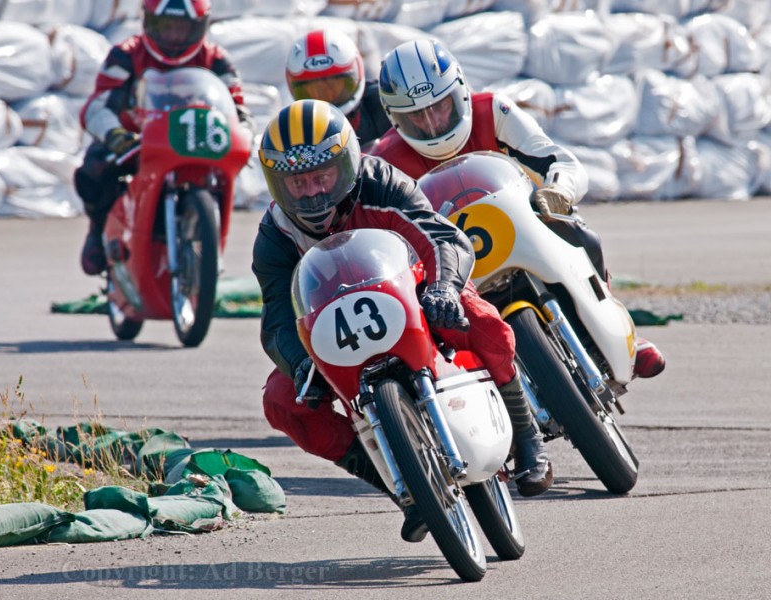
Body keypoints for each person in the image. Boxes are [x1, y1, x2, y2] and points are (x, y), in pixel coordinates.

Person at [252, 99, 553, 544]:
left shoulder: (379, 182)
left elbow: (441, 236)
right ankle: (400, 487)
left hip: (412, 287)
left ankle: (528, 437)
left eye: (322, 177)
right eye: (298, 183)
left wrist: (445, 287)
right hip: (333, 326)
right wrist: (300, 366)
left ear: (347, 164)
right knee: (281, 401)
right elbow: (277, 317)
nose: (313, 193)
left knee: (482, 318)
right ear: (278, 183)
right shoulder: (274, 235)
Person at [369, 39, 666, 379]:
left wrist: (557, 191)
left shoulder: (493, 111)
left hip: (518, 221)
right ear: (394, 118)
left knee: (582, 236)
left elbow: (559, 160)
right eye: (416, 116)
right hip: (449, 261)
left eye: (441, 106)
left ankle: (617, 326)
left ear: (461, 91)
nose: (433, 122)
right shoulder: (383, 161)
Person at [75, 0, 253, 276]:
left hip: (197, 143)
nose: (174, 37)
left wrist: (245, 137)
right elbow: (98, 106)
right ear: (147, 22)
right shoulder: (125, 55)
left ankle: (207, 243)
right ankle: (98, 230)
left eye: (182, 29)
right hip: (136, 142)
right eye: (166, 27)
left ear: (200, 26)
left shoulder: (218, 61)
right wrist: (116, 136)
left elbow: (239, 111)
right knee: (94, 168)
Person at [285, 29, 390, 150]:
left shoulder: (385, 104)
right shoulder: (291, 133)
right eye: (315, 90)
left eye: (334, 85)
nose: (327, 94)